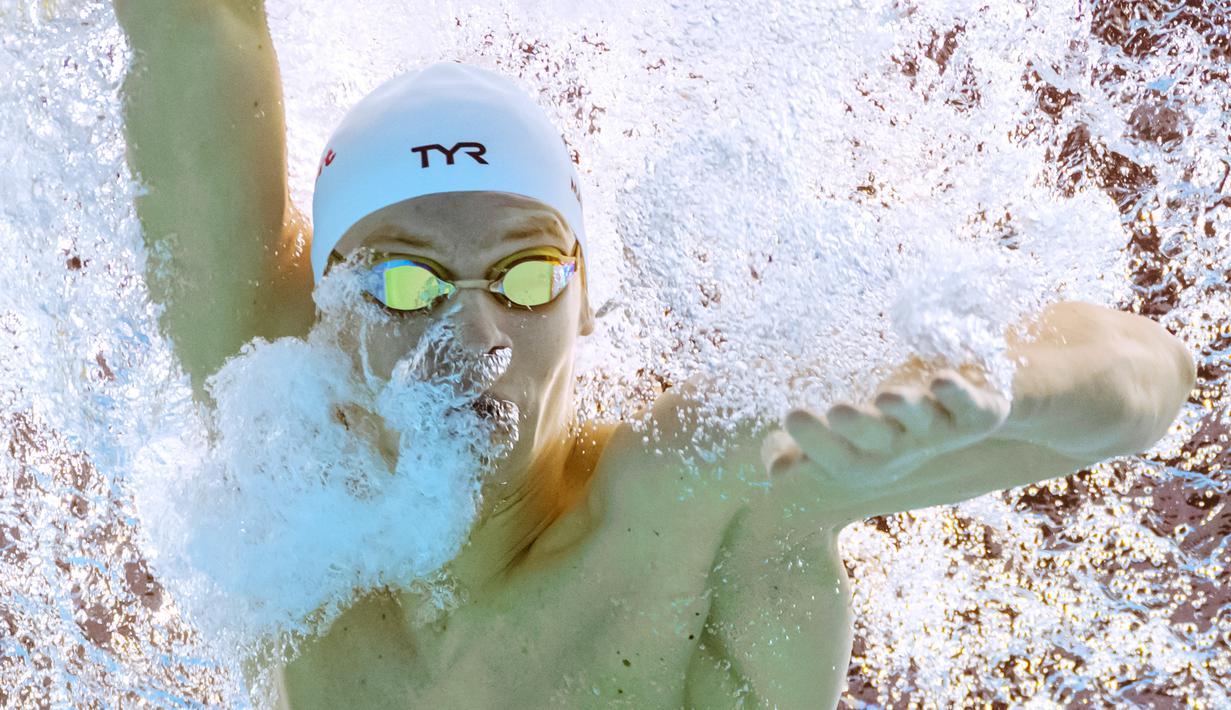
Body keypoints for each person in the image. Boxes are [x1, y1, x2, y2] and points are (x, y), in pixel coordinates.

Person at [114, 2, 1196, 708]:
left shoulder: (683, 499)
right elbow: (194, 29)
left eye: (526, 277)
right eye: (407, 283)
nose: (475, 337)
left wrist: (990, 387)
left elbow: (1150, 375)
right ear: (333, 306)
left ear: (587, 300)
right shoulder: (281, 425)